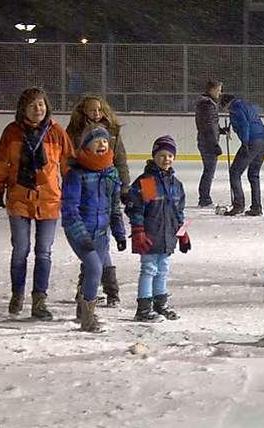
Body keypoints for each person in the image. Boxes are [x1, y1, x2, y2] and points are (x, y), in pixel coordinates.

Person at [0, 87, 73, 320]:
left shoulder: (56, 132)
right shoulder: (12, 132)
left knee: (43, 252)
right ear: (23, 109)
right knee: (21, 250)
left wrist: (73, 192)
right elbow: (1, 162)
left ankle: (39, 300)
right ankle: (17, 293)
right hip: (19, 198)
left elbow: (68, 165)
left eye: (41, 104)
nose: (38, 109)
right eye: (33, 105)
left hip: (49, 200)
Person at [66, 94, 130, 308]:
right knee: (93, 261)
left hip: (102, 219)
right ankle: (89, 300)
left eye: (99, 110)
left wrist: (125, 184)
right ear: (83, 112)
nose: (96, 113)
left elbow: (120, 158)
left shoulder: (111, 132)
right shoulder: (75, 133)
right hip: (84, 212)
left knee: (98, 258)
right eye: (92, 110)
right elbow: (67, 160)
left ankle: (103, 294)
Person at [61, 125, 126, 333]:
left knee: (94, 272)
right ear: (86, 146)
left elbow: (115, 206)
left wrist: (119, 232)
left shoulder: (111, 173)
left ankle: (82, 307)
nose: (102, 144)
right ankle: (88, 318)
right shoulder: (76, 174)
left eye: (105, 141)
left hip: (101, 232)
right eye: (96, 140)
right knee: (95, 268)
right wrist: (82, 236)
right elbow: (69, 210)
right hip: (79, 231)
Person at [126, 136, 189, 322]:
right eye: (162, 155)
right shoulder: (148, 182)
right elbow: (137, 209)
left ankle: (160, 304)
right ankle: (144, 308)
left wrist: (183, 233)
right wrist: (138, 231)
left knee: (163, 269)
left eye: (170, 155)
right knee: (149, 269)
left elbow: (179, 212)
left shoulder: (176, 185)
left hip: (167, 235)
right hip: (150, 235)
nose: (166, 159)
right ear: (154, 156)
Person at [219, 94, 264, 216]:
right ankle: (256, 207)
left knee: (235, 172)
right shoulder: (245, 105)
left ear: (226, 104)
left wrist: (245, 142)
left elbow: (245, 125)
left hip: (252, 141)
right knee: (253, 174)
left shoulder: (235, 108)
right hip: (263, 140)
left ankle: (238, 205)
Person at [195, 80, 223, 208]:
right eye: (218, 90)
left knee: (208, 171)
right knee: (209, 172)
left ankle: (204, 197)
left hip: (206, 141)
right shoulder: (207, 104)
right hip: (208, 143)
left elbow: (211, 124)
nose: (219, 93)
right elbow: (209, 126)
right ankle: (204, 199)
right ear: (211, 90)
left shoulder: (206, 104)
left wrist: (221, 130)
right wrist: (215, 144)